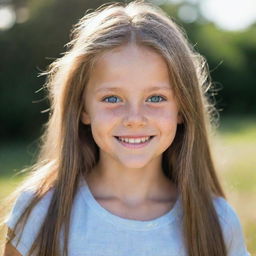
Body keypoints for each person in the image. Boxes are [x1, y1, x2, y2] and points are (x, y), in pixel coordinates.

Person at [1, 1, 251, 256]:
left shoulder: (217, 222)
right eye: (112, 98)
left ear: (182, 108)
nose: (134, 118)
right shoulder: (41, 212)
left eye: (155, 98)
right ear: (82, 109)